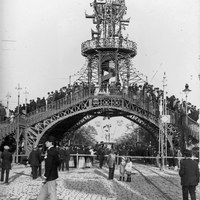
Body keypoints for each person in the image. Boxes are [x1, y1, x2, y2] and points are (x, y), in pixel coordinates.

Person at [37, 136, 60, 200]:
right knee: (44, 191)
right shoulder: (54, 150)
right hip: (52, 174)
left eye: (47, 142)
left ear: (51, 143)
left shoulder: (50, 152)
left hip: (50, 175)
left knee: (52, 193)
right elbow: (58, 162)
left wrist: (45, 175)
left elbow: (49, 165)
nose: (45, 143)